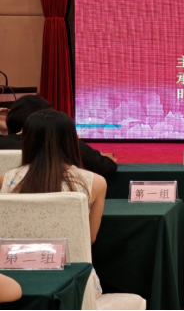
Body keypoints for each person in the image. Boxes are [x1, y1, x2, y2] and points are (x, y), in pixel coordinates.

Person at [0, 110, 107, 244]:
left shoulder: (6, 178)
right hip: (71, 257)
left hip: (14, 255)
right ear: (71, 141)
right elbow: (89, 238)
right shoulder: (96, 182)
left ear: (27, 141)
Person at [0, 96, 117, 178]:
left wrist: (4, 132)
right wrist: (104, 158)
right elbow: (105, 167)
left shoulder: (4, 144)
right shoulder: (66, 143)